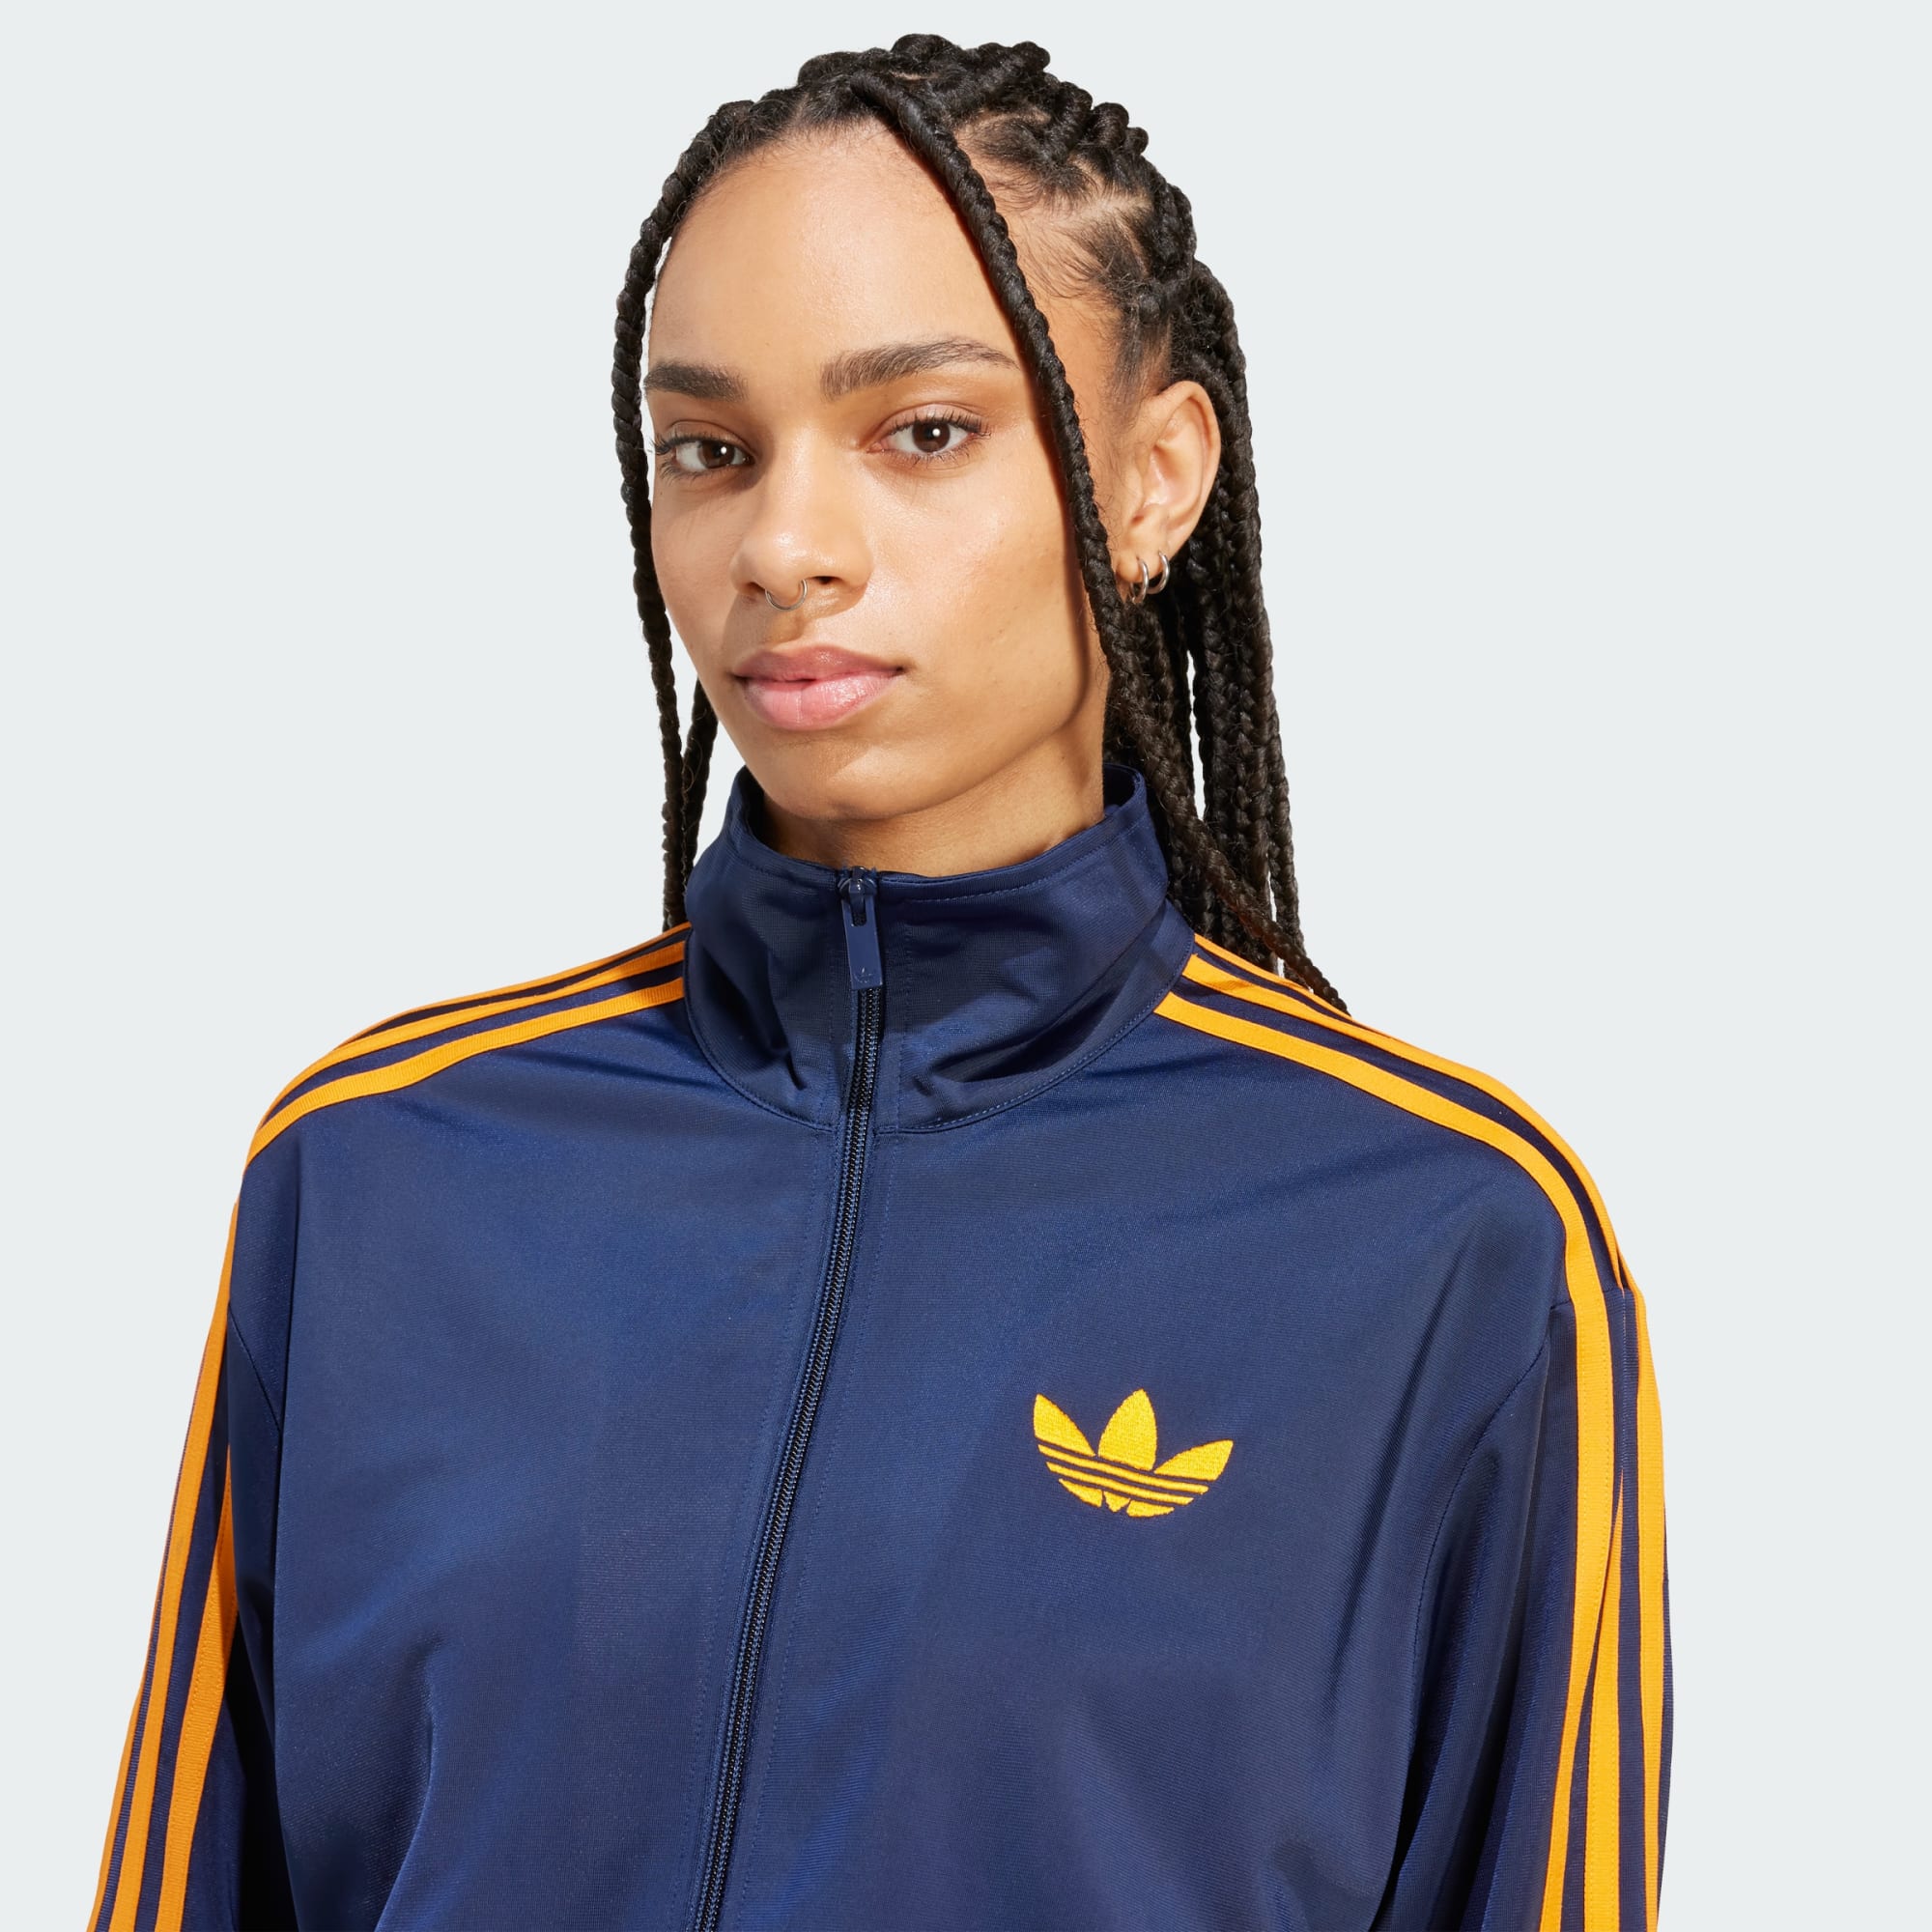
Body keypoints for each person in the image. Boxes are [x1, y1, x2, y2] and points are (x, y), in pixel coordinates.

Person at [89, 34, 1669, 1932]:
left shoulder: (1438, 1242)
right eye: (711, 450)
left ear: (1156, 477)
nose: (785, 547)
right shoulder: (380, 1174)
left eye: (923, 432)